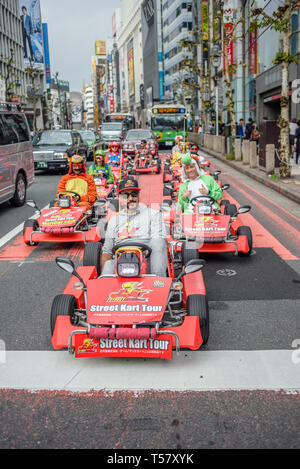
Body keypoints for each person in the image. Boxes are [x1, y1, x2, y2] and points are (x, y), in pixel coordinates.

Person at [101, 178, 167, 277]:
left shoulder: (153, 214)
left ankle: (158, 280)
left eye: (134, 194)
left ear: (138, 195)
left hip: (147, 256)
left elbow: (158, 240)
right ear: (120, 198)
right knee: (108, 264)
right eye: (126, 195)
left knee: (158, 241)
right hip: (120, 258)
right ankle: (104, 282)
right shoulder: (114, 220)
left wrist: (144, 252)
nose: (131, 198)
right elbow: (107, 251)